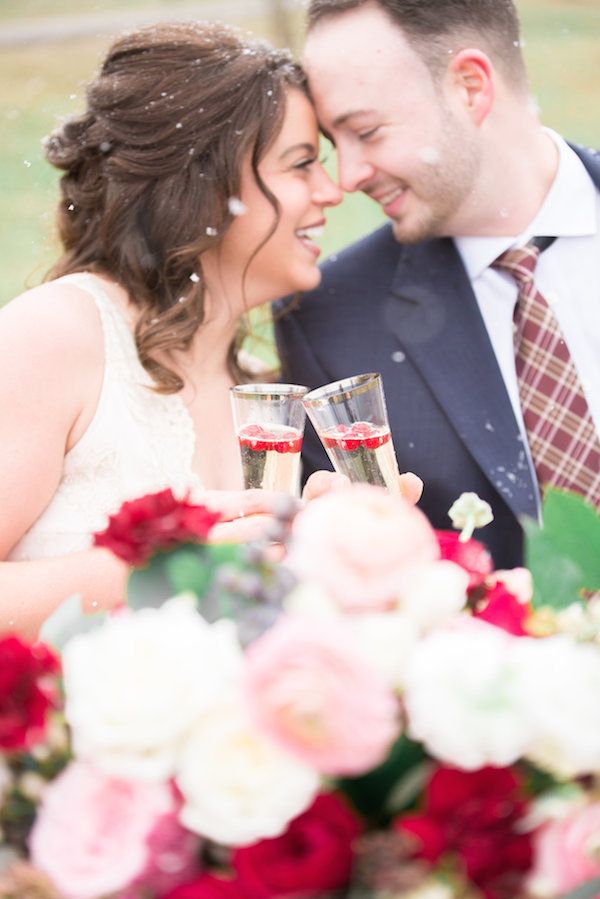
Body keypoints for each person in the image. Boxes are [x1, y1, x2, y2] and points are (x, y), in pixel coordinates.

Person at [0, 21, 350, 640]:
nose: (334, 189)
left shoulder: (258, 386)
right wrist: (179, 566)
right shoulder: (54, 335)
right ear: (207, 188)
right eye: (301, 165)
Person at [275, 0, 600, 568]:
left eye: (367, 131)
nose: (347, 177)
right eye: (334, 144)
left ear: (470, 87)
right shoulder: (327, 319)